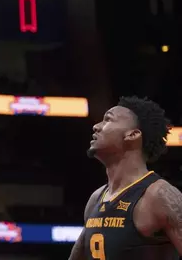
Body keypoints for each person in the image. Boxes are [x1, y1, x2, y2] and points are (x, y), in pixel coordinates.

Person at [68, 96, 182, 260]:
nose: (96, 126)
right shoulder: (96, 199)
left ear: (133, 134)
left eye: (108, 119)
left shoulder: (159, 195)